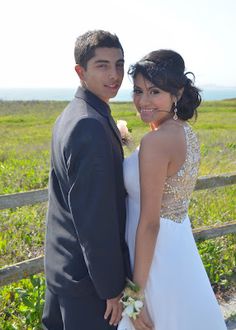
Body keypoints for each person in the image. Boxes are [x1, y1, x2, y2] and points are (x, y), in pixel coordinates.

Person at [118, 50, 227, 330]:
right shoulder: (184, 132)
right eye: (138, 91)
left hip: (155, 258)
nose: (143, 100)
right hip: (177, 247)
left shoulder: (157, 142)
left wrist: (135, 293)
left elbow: (151, 222)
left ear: (176, 93)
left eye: (154, 91)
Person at [42, 30, 131, 330]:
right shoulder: (87, 125)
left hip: (64, 269)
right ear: (80, 71)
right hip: (88, 286)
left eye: (119, 64)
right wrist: (111, 289)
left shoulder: (74, 114)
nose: (115, 74)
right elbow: (96, 221)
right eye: (103, 65)